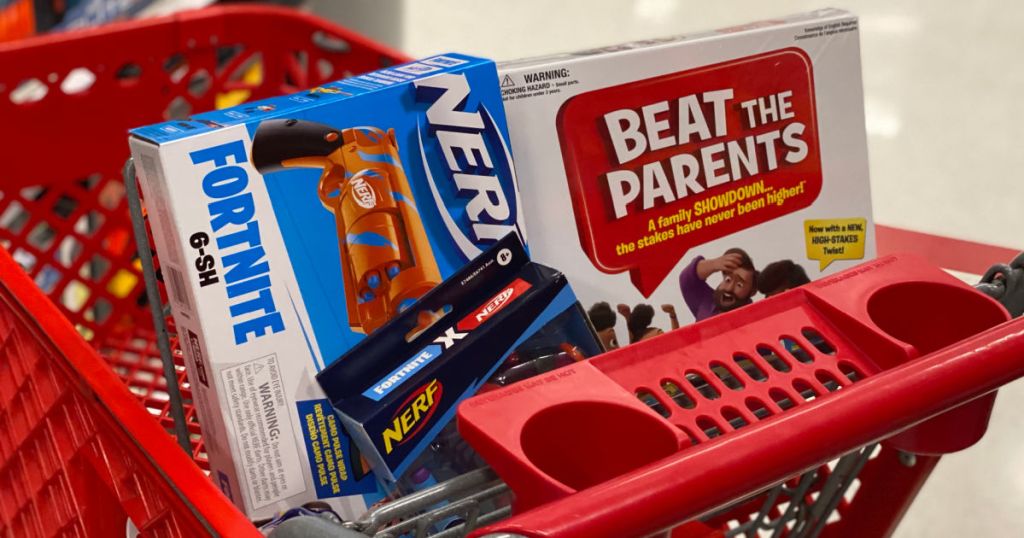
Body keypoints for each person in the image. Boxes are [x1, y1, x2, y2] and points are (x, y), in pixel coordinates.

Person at [679, 248, 757, 321]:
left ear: (752, 291)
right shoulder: (706, 302)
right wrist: (714, 264)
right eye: (728, 280)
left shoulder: (753, 316)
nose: (729, 288)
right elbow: (687, 279)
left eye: (739, 285)